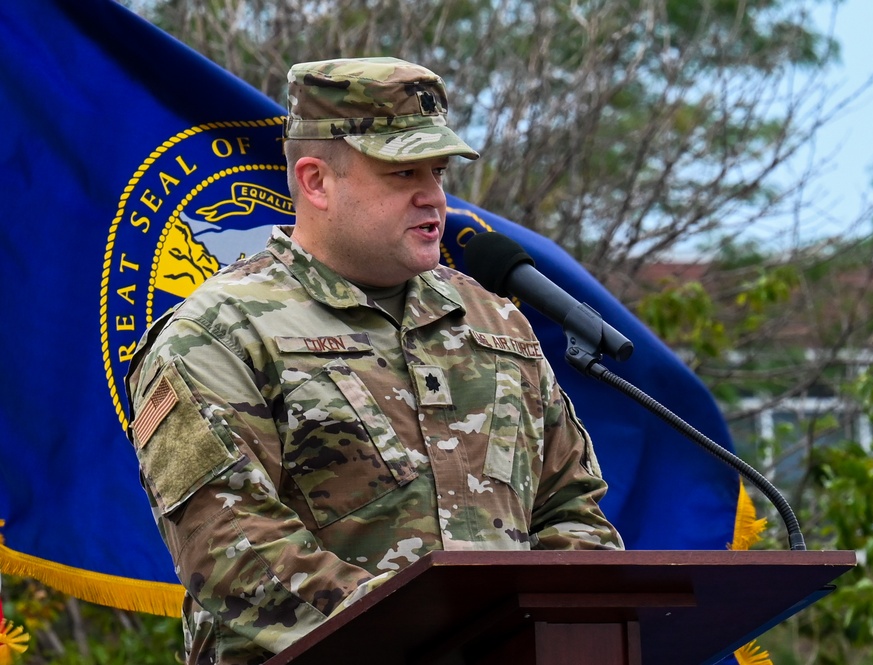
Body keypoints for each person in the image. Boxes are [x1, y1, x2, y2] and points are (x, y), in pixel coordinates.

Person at [125, 56, 623, 665]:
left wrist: (564, 626)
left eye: (438, 172)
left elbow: (570, 508)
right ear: (316, 181)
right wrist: (433, 643)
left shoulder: (497, 324)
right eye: (402, 171)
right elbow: (232, 548)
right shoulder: (217, 333)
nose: (432, 196)